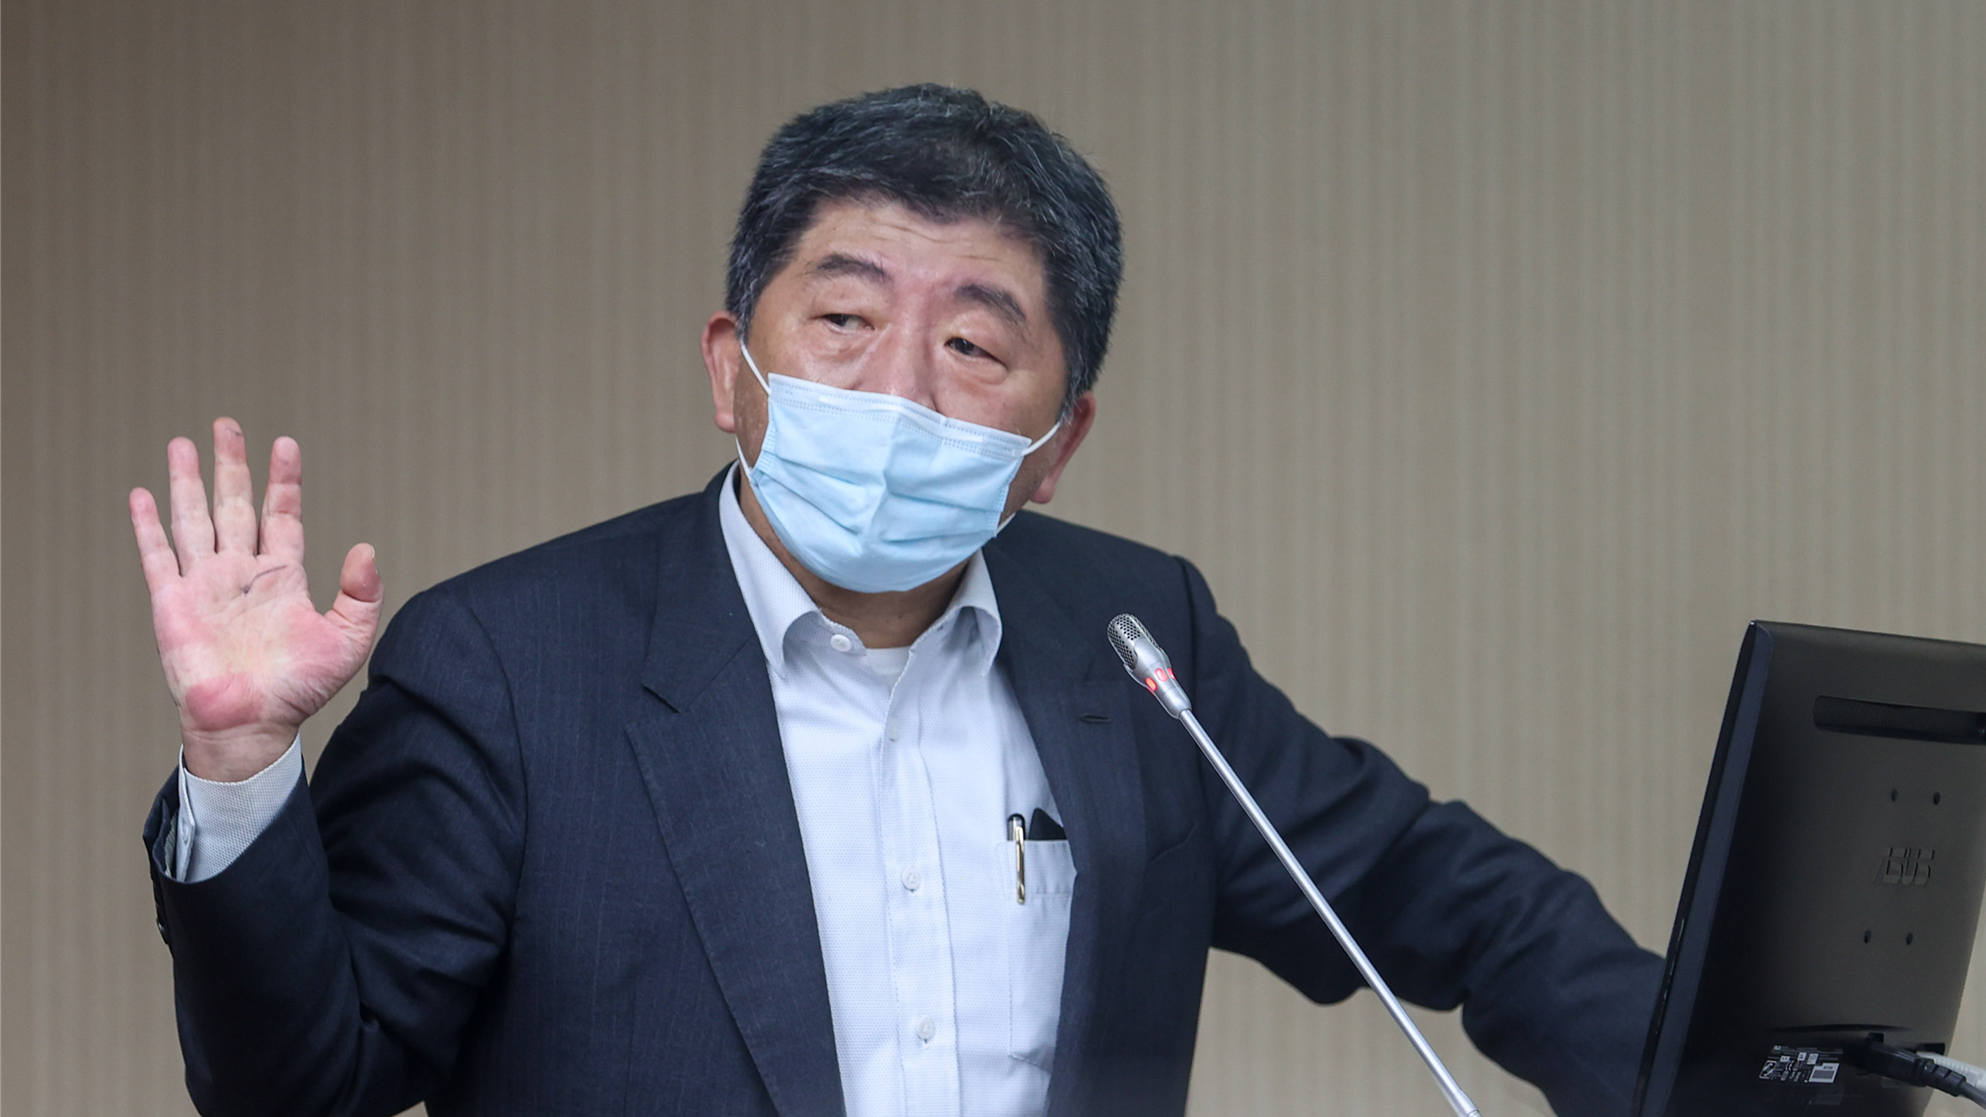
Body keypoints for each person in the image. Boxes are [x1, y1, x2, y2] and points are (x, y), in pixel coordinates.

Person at [133, 84, 1662, 1117]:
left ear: (1056, 445)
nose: (898, 388)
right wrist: (240, 767)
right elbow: (302, 1085)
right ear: (731, 367)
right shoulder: (509, 661)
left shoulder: (1135, 638)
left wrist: (1735, 1074)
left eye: (975, 346)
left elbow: (1448, 899)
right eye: (845, 317)